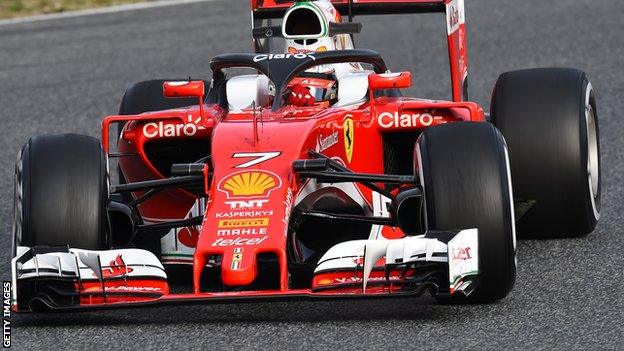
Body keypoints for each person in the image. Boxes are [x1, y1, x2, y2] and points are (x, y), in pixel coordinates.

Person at [281, 0, 359, 107]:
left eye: (311, 26)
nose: (305, 31)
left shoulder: (357, 82)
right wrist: (285, 94)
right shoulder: (273, 82)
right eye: (298, 27)